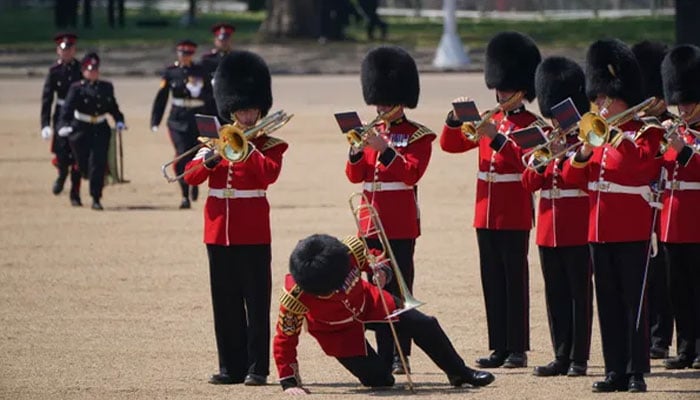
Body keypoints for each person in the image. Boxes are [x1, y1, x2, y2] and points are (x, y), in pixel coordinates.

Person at [561, 39, 665, 392]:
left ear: (623, 97)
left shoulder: (647, 132)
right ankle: (614, 369)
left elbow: (641, 169)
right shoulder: (597, 135)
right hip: (598, 228)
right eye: (599, 98)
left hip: (631, 226)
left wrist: (616, 137)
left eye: (606, 98)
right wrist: (585, 151)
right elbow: (572, 179)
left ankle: (637, 371)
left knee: (633, 302)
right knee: (606, 302)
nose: (601, 105)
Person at [273, 233, 496, 394]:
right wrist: (290, 383)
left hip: (370, 302)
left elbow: (375, 258)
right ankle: (382, 363)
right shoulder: (295, 296)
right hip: (337, 332)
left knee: (423, 323)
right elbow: (285, 339)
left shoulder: (346, 251)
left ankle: (459, 372)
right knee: (381, 380)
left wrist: (382, 271)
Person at [183, 50, 288, 386]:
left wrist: (249, 147)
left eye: (252, 109)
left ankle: (257, 368)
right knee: (225, 304)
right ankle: (231, 366)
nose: (246, 114)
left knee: (256, 304)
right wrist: (212, 158)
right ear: (230, 108)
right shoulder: (214, 140)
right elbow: (191, 176)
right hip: (218, 232)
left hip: (253, 231)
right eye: (241, 109)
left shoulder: (270, 144)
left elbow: (267, 176)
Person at [440, 31, 542, 369]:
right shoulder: (490, 118)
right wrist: (454, 121)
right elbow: (451, 146)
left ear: (522, 90)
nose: (500, 93)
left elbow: (527, 162)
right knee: (492, 280)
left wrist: (497, 139)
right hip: (485, 211)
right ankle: (498, 345)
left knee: (515, 280)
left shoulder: (531, 125)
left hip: (513, 210)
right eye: (498, 87)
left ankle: (518, 347)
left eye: (507, 88)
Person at [345, 45, 435, 375]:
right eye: (378, 101)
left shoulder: (418, 136)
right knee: (374, 289)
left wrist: (384, 151)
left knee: (398, 291)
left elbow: (411, 173)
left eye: (385, 101)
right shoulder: (371, 134)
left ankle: (401, 354)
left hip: (398, 224)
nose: (380, 108)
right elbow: (355, 176)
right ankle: (383, 354)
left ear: (401, 99)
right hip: (369, 222)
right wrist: (356, 152)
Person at [522, 56, 593, 377]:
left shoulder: (586, 141)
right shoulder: (546, 140)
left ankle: (579, 358)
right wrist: (542, 159)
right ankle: (560, 355)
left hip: (577, 226)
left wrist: (565, 154)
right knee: (555, 296)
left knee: (579, 293)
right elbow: (528, 183)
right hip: (548, 228)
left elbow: (579, 179)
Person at [631, 40, 674, 361]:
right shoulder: (635, 126)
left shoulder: (673, 124)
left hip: (666, 209)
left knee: (665, 276)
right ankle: (646, 335)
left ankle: (662, 337)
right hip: (635, 207)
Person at [658, 44, 700, 370]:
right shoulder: (677, 130)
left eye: (687, 102)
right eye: (679, 102)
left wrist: (682, 149)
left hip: (696, 220)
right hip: (671, 221)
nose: (682, 108)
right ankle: (686, 348)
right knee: (679, 291)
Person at [57, 52, 126, 211]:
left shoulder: (106, 87)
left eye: (95, 69)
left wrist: (120, 120)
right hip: (81, 129)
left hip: (100, 129)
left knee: (98, 163)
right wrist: (63, 126)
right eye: (89, 70)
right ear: (83, 71)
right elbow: (66, 110)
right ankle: (75, 193)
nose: (93, 72)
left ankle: (96, 198)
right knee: (80, 164)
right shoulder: (76, 88)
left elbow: (113, 108)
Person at [151, 40, 213, 209]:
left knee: (199, 154)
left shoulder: (201, 71)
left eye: (188, 53)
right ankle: (184, 193)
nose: (185, 56)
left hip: (200, 118)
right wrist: (155, 120)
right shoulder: (171, 72)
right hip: (178, 119)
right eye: (182, 53)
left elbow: (211, 96)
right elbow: (162, 97)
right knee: (181, 156)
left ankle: (195, 182)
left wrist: (199, 94)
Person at [41, 32, 83, 206]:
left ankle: (75, 193)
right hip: (60, 114)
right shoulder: (54, 72)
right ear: (58, 51)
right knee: (61, 153)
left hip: (78, 115)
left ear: (74, 50)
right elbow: (47, 98)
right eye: (63, 49)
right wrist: (44, 124)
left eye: (70, 49)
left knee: (77, 157)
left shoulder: (82, 69)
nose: (67, 52)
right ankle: (61, 175)